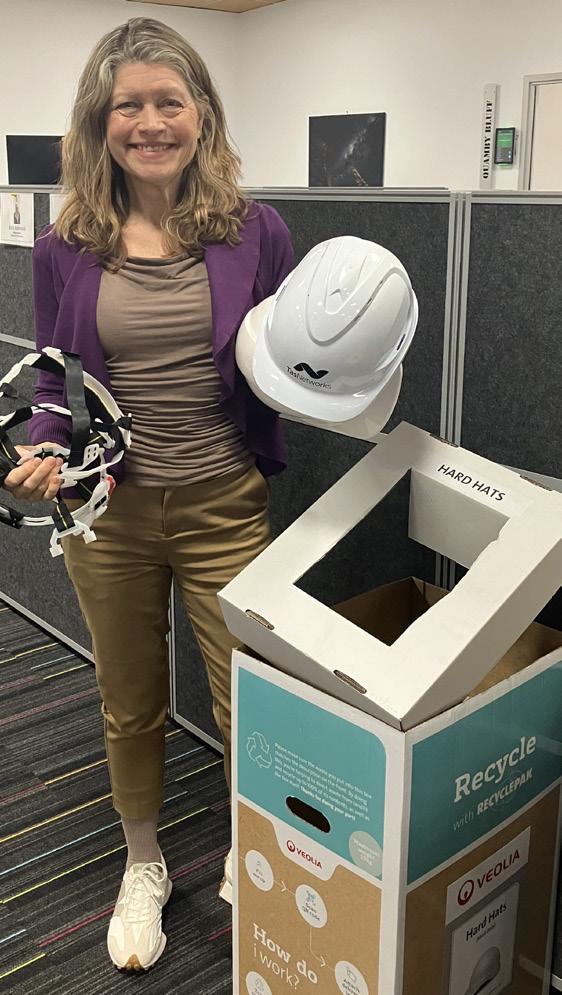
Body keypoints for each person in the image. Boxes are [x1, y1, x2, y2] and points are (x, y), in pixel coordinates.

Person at [2, 17, 293, 973]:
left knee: (251, 698)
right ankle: (142, 862)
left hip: (223, 503)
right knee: (129, 697)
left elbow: (291, 361)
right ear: (101, 120)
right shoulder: (66, 244)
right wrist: (48, 445)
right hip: (108, 512)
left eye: (170, 101)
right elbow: (57, 378)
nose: (150, 122)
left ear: (202, 112)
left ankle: (253, 847)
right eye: (129, 104)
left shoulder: (256, 231)